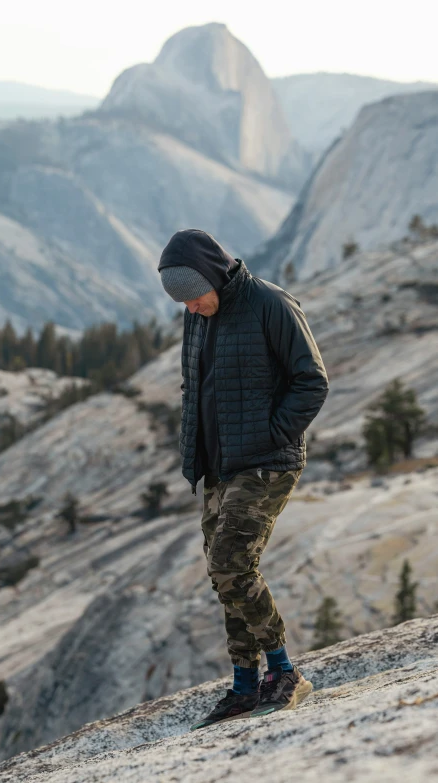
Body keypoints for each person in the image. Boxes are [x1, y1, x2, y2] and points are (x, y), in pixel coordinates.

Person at [158, 228, 329, 729]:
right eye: (182, 302)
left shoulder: (270, 304)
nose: (190, 309)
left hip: (266, 460)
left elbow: (312, 381)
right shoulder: (200, 316)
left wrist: (270, 434)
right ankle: (243, 684)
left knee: (233, 561)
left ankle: (283, 671)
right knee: (222, 572)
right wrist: (196, 445)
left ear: (213, 276)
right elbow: (197, 383)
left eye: (194, 296)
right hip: (216, 464)